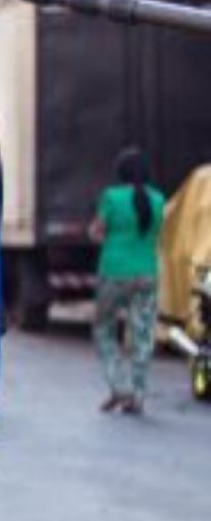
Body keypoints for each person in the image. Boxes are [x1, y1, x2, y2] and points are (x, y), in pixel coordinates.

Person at [89, 147, 166, 415]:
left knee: (104, 330)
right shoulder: (158, 200)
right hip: (147, 273)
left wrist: (102, 238)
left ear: (119, 172)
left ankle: (118, 386)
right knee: (142, 335)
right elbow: (158, 235)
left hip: (114, 272)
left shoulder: (111, 197)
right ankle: (138, 393)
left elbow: (98, 231)